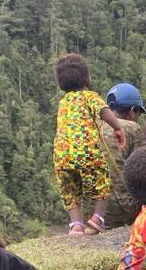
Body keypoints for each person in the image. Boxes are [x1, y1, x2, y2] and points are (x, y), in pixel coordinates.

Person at [52, 53, 126, 236]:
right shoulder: (89, 97)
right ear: (87, 79)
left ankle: (76, 224)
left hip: (61, 156)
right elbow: (103, 111)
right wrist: (117, 128)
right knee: (102, 182)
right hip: (86, 153)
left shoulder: (63, 102)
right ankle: (96, 219)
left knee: (69, 189)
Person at [100, 83, 146, 229]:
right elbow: (144, 172)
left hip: (91, 212)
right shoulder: (132, 128)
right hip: (123, 210)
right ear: (133, 111)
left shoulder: (92, 126)